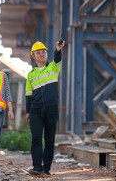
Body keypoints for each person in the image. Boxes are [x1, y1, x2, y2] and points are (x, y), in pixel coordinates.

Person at [26, 40, 65, 176]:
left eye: (43, 52)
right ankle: (37, 167)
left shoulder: (53, 67)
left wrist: (58, 49)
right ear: (33, 55)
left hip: (51, 109)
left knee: (49, 140)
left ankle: (46, 168)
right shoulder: (31, 74)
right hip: (35, 110)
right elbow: (28, 95)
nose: (41, 54)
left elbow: (58, 59)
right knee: (36, 138)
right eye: (38, 52)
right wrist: (28, 112)